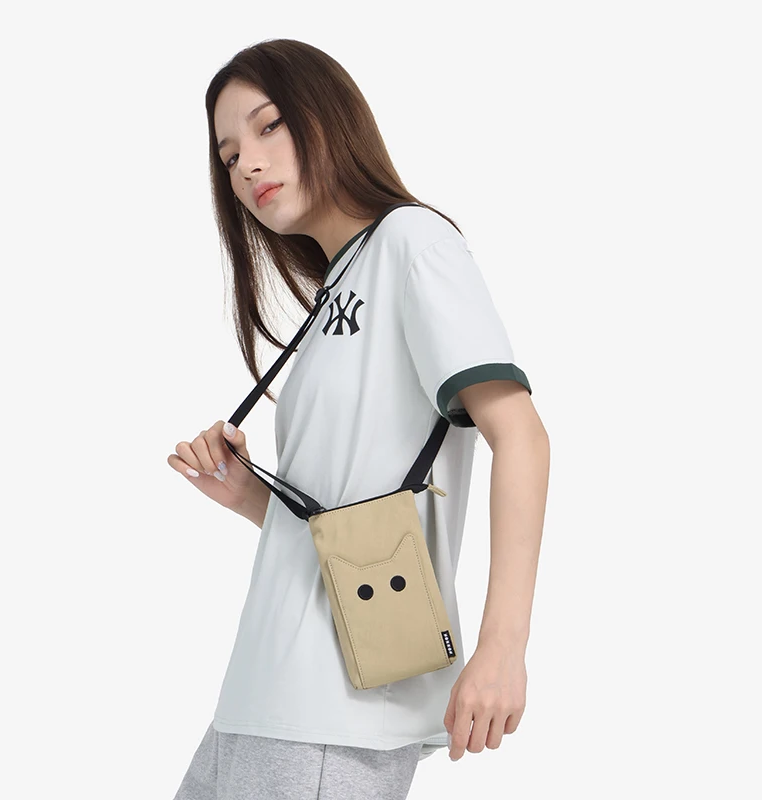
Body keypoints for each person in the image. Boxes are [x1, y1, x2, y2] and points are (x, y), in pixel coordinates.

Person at [168, 38, 550, 800]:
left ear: (328, 115)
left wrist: (503, 647)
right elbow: (350, 514)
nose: (246, 164)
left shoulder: (413, 241)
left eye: (269, 126)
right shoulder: (335, 291)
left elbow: (521, 436)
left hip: (331, 717)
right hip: (256, 699)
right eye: (229, 154)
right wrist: (251, 497)